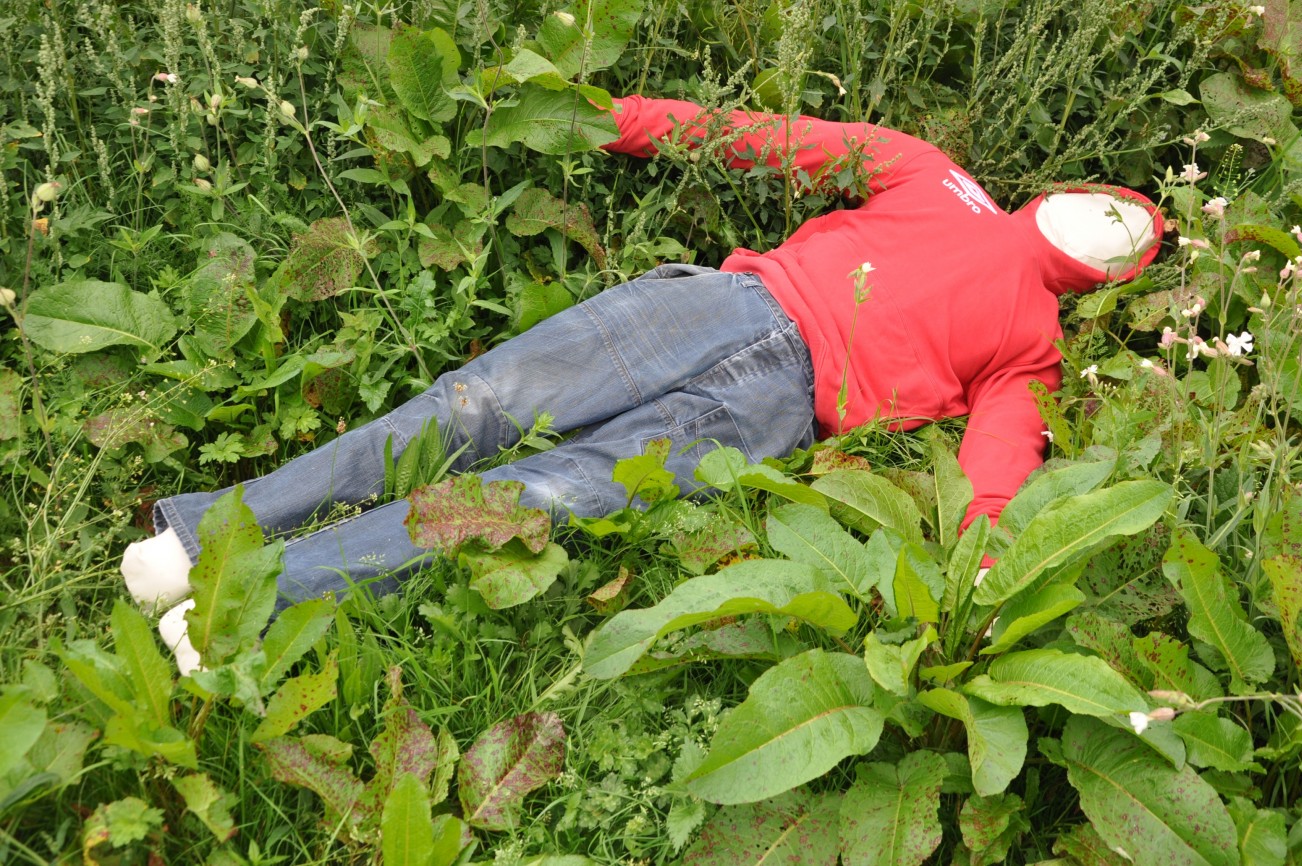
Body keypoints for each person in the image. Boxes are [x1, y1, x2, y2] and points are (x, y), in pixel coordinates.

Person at [121, 94, 1163, 672]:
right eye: (1106, 213)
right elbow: (768, 141)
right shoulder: (951, 199)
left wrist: (982, 565)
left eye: (1113, 233)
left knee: (506, 464)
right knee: (496, 442)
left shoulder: (1021, 320)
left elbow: (996, 464)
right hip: (745, 340)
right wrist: (618, 117)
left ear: (1097, 268)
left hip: (756, 377)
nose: (1094, 227)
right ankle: (213, 559)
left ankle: (224, 588)